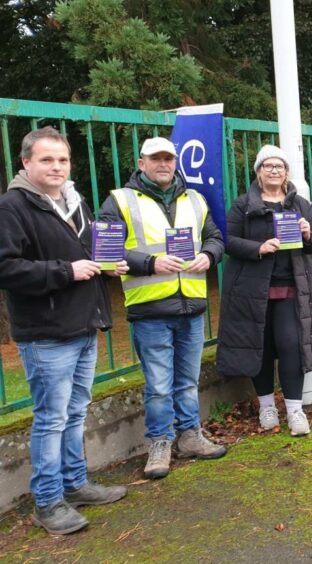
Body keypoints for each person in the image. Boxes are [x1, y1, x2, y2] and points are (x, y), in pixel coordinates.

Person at [0, 127, 127, 534]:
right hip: (46, 332)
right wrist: (65, 271)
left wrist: (108, 264)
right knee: (51, 418)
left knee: (75, 412)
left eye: (62, 160)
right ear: (26, 163)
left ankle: (75, 483)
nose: (56, 167)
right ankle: (48, 501)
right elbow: (6, 268)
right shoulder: (13, 207)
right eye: (46, 159)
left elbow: (89, 251)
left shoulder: (75, 203)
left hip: (83, 323)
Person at [98, 137, 226, 480]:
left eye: (168, 158)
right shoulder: (120, 200)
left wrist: (208, 255)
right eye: (156, 159)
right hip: (150, 309)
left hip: (192, 307)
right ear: (142, 163)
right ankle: (159, 442)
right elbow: (105, 251)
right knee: (158, 384)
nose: (163, 164)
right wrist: (149, 262)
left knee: (187, 381)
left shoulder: (194, 199)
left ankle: (190, 436)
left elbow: (215, 237)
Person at [216, 146, 312, 436]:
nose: (274, 170)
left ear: (286, 172)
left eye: (279, 166)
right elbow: (228, 242)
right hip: (254, 291)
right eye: (268, 166)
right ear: (258, 171)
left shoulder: (300, 204)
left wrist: (306, 235)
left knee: (291, 346)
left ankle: (295, 410)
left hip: (291, 288)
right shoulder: (243, 205)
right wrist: (258, 248)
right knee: (259, 349)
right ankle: (266, 407)